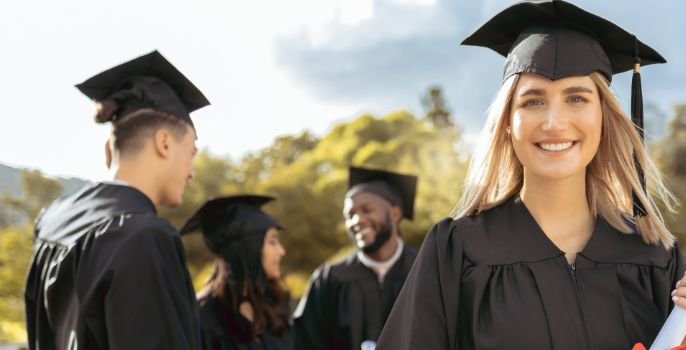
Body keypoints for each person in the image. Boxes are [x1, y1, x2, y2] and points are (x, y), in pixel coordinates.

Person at [377, 1, 686, 349]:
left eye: (576, 98)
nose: (554, 122)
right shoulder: (457, 250)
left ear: (604, 119)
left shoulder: (654, 257)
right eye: (533, 101)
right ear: (506, 124)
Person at [24, 50, 208, 350]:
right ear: (164, 143)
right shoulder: (143, 237)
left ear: (109, 150)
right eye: (191, 152)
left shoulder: (54, 218)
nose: (192, 174)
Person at [292, 166, 418, 350]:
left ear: (395, 213)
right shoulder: (329, 279)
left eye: (367, 210)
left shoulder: (427, 270)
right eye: (350, 215)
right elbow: (305, 343)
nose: (357, 220)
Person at [181, 195, 291, 350]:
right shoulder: (203, 317)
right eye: (272, 241)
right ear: (247, 248)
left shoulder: (276, 303)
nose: (281, 251)